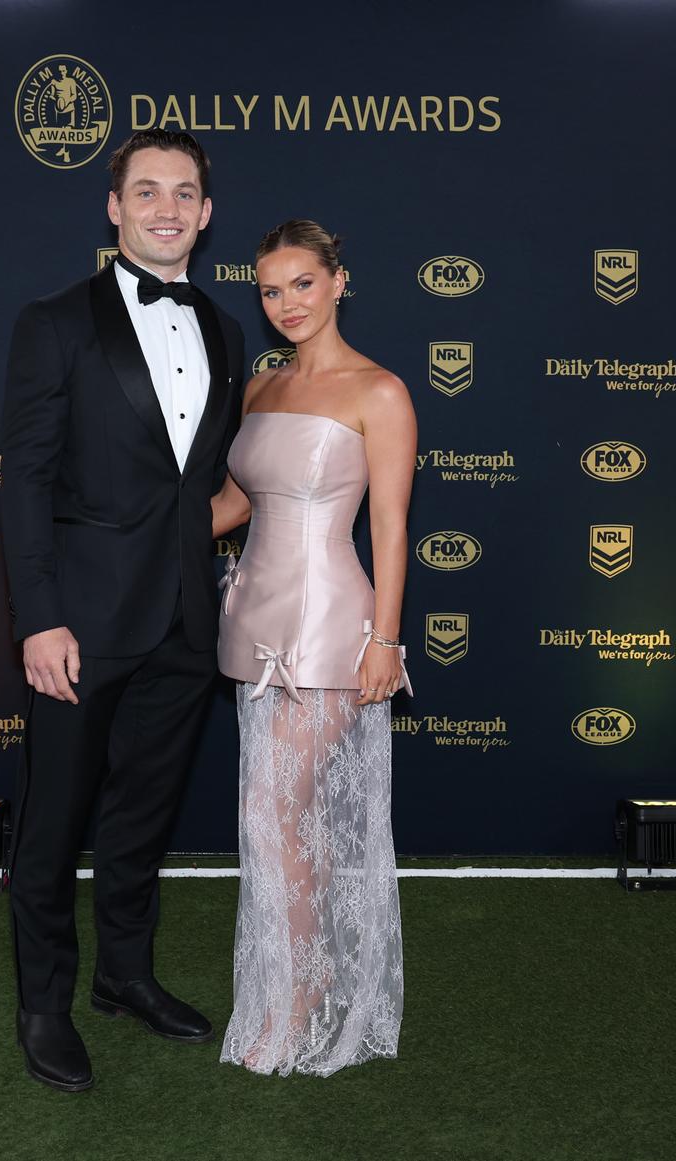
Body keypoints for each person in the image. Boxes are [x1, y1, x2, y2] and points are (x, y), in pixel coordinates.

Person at [0, 129, 244, 1092]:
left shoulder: (225, 330)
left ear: (207, 213)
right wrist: (36, 615)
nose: (167, 209)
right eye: (147, 191)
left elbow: (205, 487)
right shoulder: (54, 321)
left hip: (187, 623)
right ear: (114, 206)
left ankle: (126, 976)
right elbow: (23, 479)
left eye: (184, 193)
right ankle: (45, 1005)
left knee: (144, 818)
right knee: (54, 825)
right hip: (81, 624)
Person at [211, 220, 417, 1076]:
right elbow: (229, 505)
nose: (286, 302)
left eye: (302, 283)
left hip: (335, 624)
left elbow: (392, 526)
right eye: (269, 288)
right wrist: (127, 534)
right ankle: (303, 977)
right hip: (253, 620)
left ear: (339, 281)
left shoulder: (382, 391)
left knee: (276, 814)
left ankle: (297, 1001)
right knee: (278, 821)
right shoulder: (261, 389)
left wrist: (387, 642)